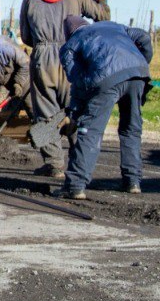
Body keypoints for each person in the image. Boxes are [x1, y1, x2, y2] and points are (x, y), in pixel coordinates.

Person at [19, 0, 110, 178]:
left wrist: (43, 44)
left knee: (45, 114)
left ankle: (54, 164)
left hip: (44, 59)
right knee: (77, 110)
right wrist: (101, 0)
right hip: (74, 57)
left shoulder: (29, 0)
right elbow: (103, 17)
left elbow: (25, 37)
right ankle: (81, 164)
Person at [56, 16, 154, 199]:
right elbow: (144, 37)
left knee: (90, 132)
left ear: (68, 33)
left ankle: (75, 185)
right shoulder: (113, 26)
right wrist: (142, 62)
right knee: (131, 129)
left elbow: (77, 81)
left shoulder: (70, 45)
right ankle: (133, 181)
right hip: (138, 75)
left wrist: (77, 112)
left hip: (106, 79)